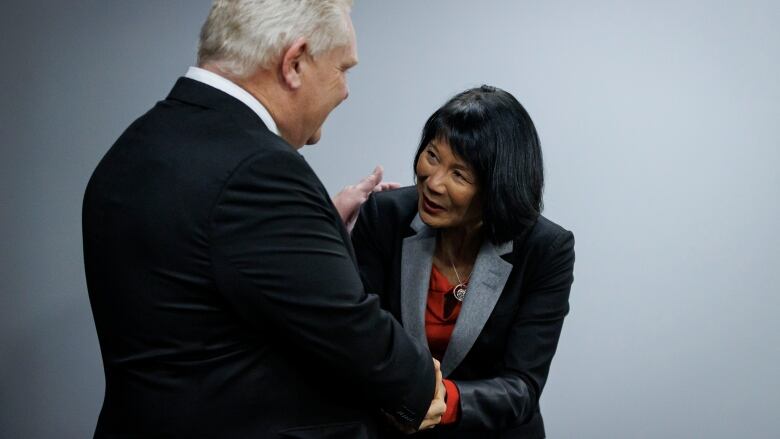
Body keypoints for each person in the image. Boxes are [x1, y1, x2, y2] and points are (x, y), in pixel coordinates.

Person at [81, 1, 445, 437]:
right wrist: (422, 383)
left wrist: (321, 226)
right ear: (294, 63)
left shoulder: (135, 145)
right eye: (342, 69)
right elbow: (354, 336)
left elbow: (204, 282)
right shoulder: (259, 170)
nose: (346, 90)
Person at [349, 85, 576, 438]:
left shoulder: (546, 249)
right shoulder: (384, 216)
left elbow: (522, 388)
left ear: (498, 188)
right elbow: (356, 338)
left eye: (459, 174)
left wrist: (437, 401)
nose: (433, 182)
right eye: (432, 156)